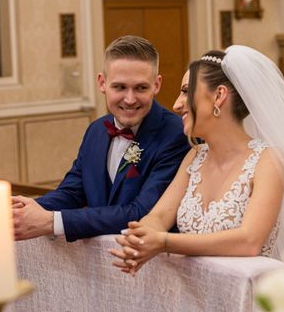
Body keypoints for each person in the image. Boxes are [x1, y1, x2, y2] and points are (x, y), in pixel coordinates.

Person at [109, 47, 284, 274]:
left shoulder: (268, 161)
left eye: (185, 91)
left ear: (219, 96)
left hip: (249, 299)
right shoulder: (195, 156)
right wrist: (140, 239)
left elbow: (249, 240)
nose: (176, 104)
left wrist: (165, 242)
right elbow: (160, 216)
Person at [11, 35, 190, 242]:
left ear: (156, 85)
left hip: (151, 264)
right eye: (120, 87)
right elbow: (72, 192)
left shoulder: (176, 134)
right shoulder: (96, 131)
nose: (130, 99)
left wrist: (52, 221)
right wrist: (22, 210)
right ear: (102, 83)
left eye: (140, 88)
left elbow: (141, 214)